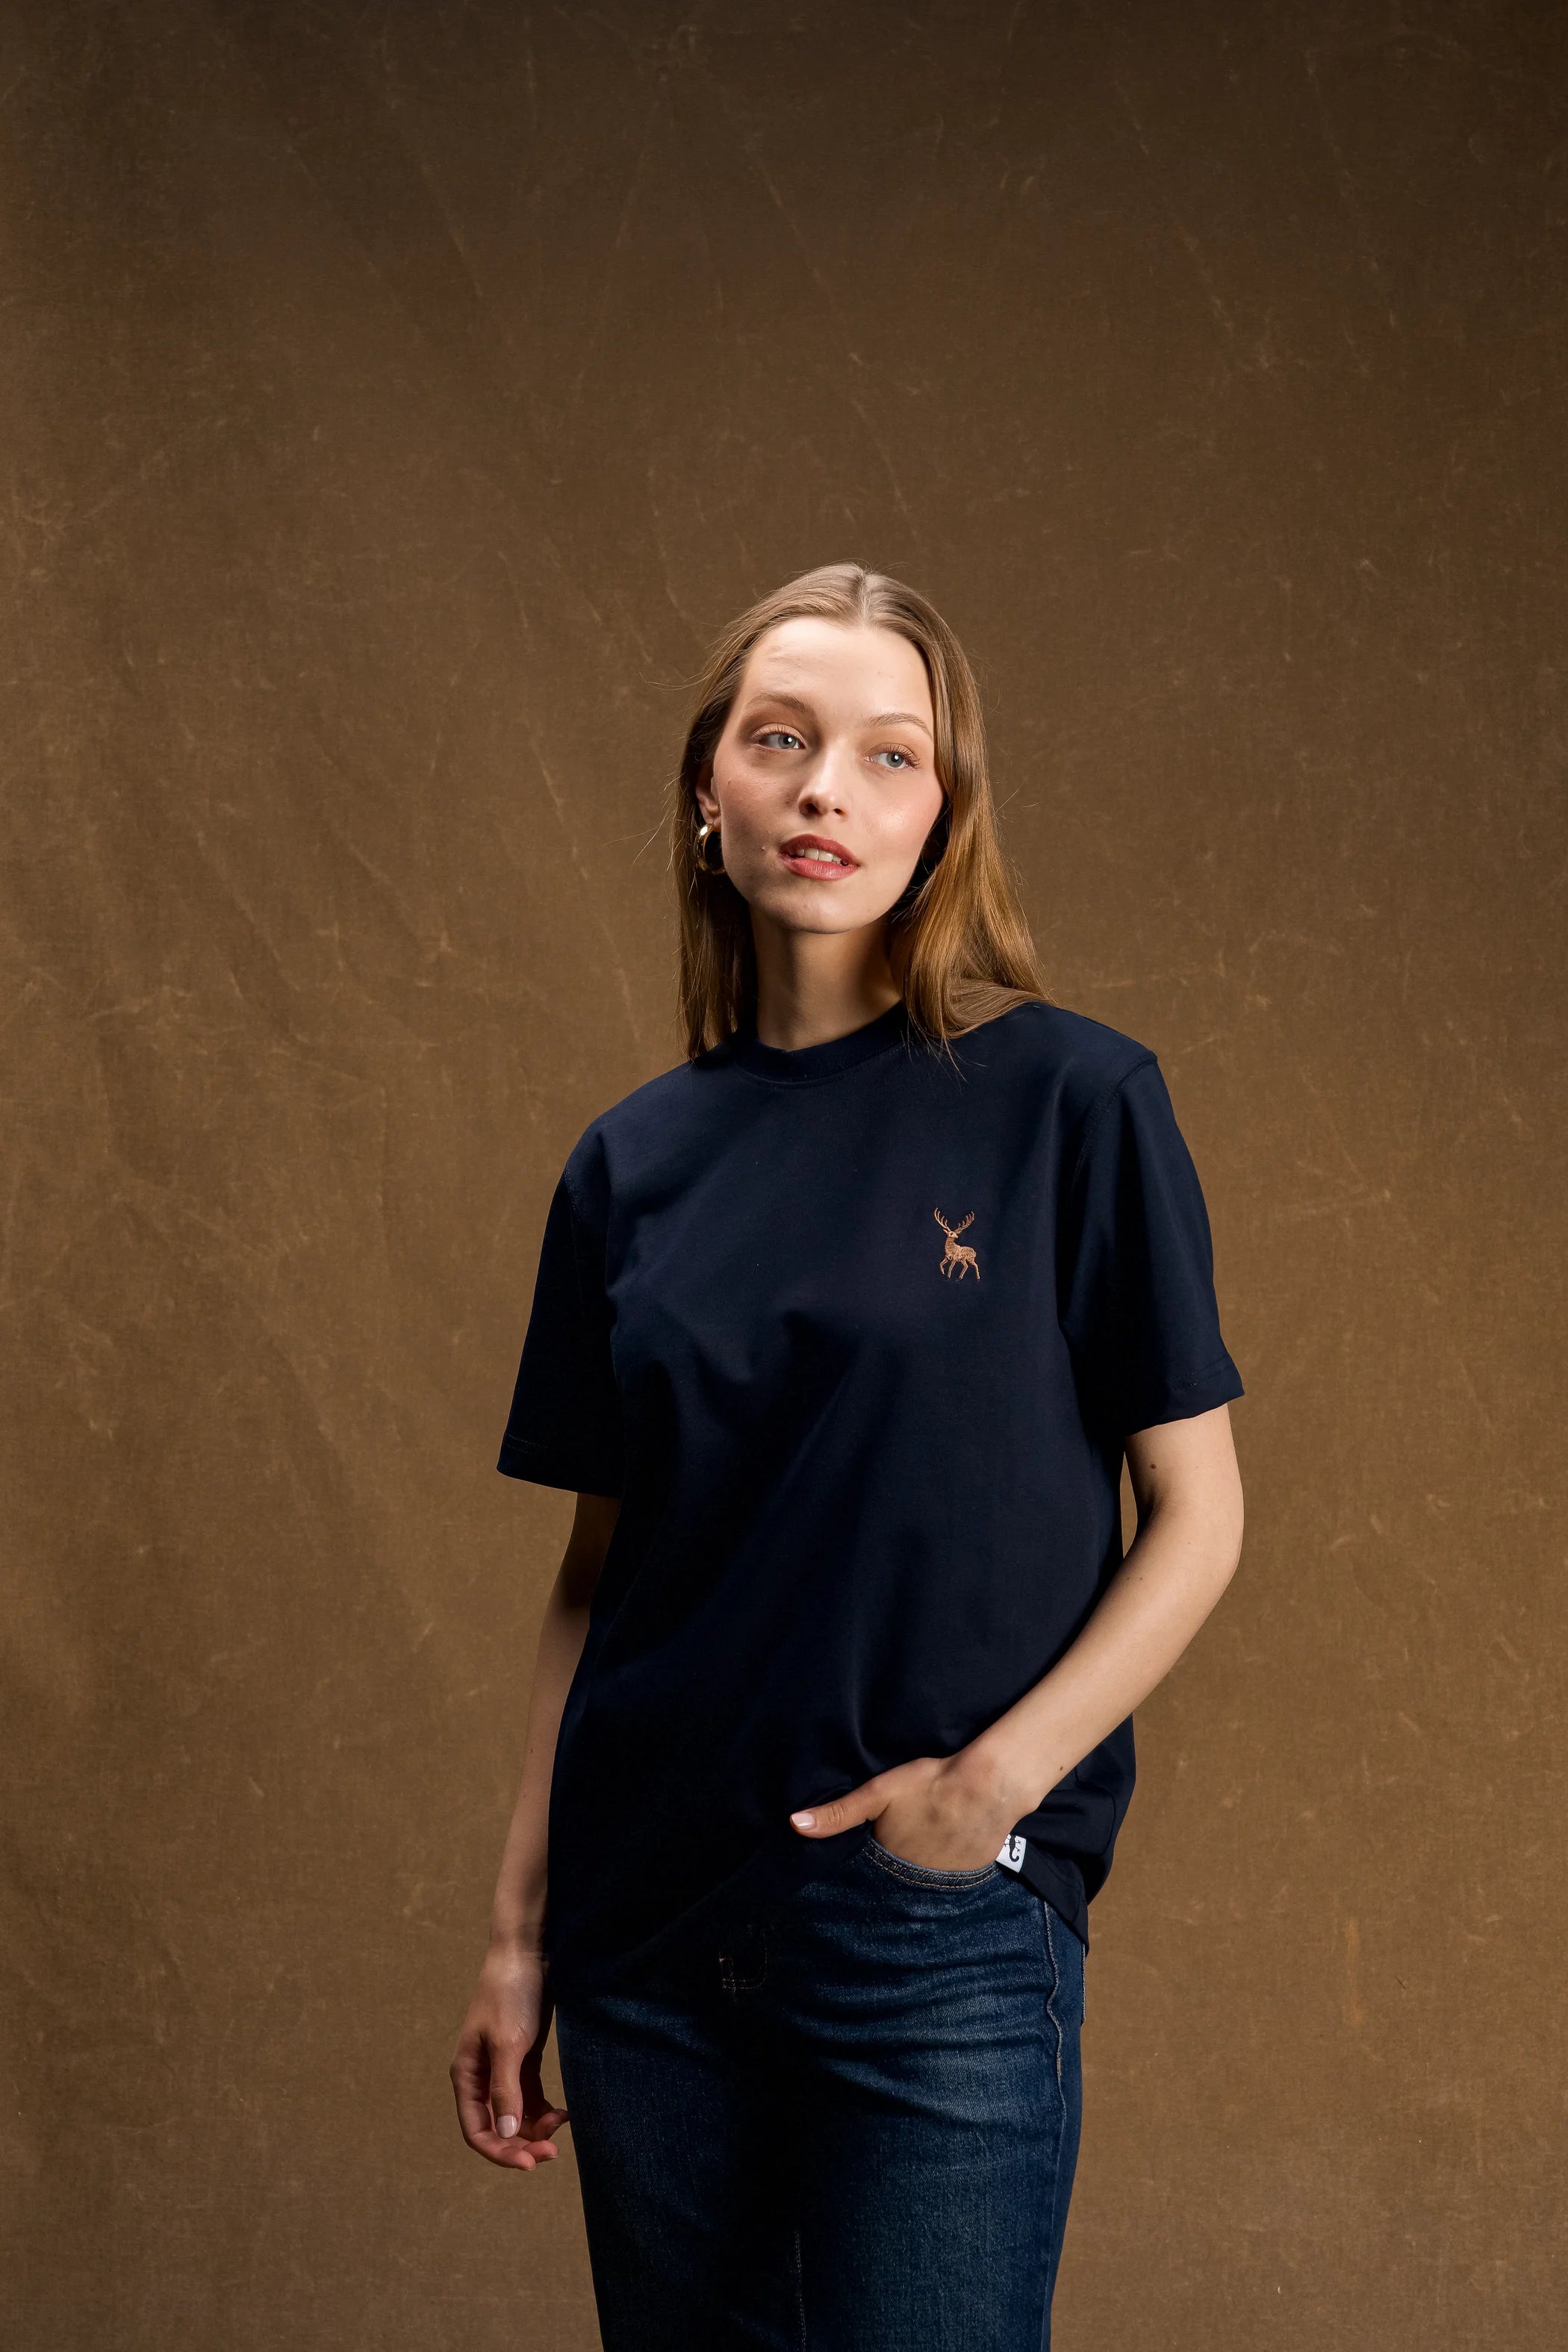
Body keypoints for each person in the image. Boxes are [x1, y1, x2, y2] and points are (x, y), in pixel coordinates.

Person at [450, 562, 1246, 2350]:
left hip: (929, 1934)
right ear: (706, 791)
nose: (828, 791)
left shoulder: (1072, 1103)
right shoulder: (628, 1166)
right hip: (649, 1943)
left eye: (891, 755)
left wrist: (988, 1797)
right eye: (781, 740)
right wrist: (520, 1937)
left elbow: (1200, 1514)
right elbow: (599, 1579)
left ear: (942, 814)